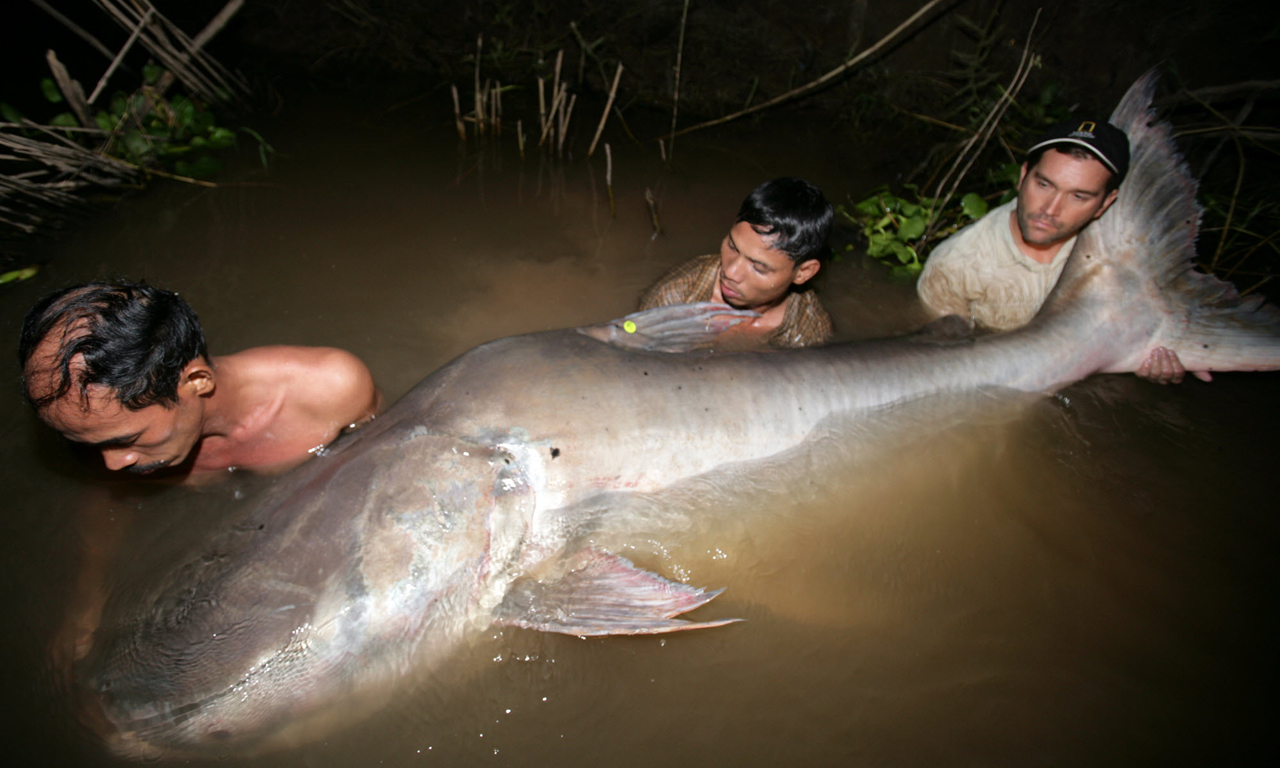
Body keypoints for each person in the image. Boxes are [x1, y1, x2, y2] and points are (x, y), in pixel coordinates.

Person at [916, 118, 1209, 384]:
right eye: (1044, 184)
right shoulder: (955, 264)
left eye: (1078, 196)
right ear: (1023, 176)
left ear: (1106, 203)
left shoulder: (1123, 254)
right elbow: (940, 365)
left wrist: (1164, 350)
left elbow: (1162, 320)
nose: (1050, 209)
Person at [20, 281, 382, 481]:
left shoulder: (332, 389)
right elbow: (108, 509)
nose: (112, 464)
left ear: (195, 380)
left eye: (127, 440)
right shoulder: (94, 430)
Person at [639, 177, 834, 348]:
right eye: (732, 246)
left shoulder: (809, 327)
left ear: (804, 273)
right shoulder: (671, 300)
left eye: (758, 267)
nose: (730, 272)